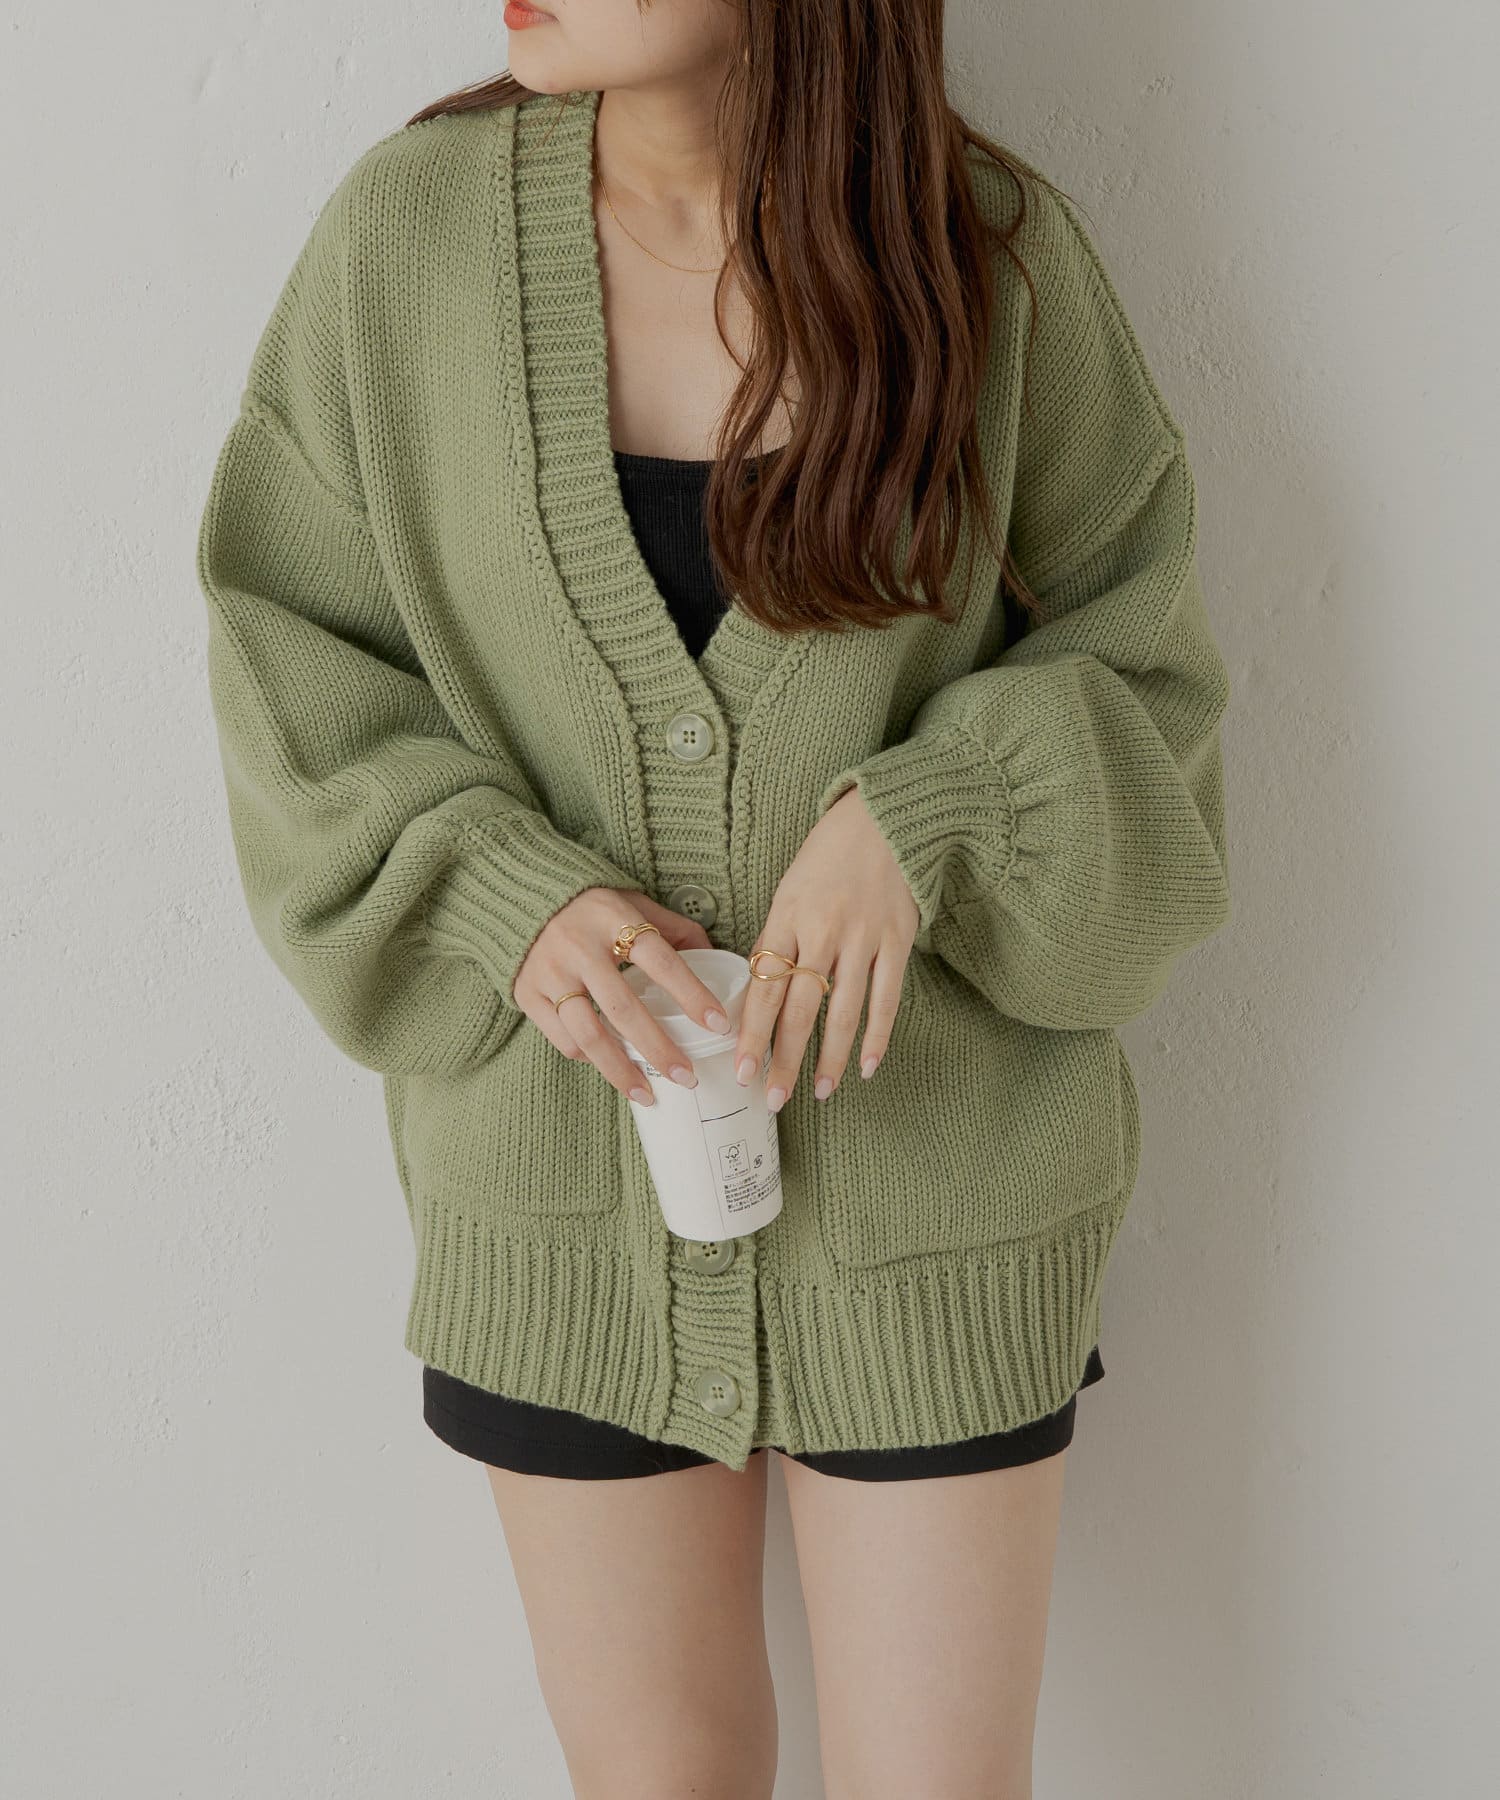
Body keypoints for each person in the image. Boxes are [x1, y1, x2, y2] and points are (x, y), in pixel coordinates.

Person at [195, 4, 1232, 1795]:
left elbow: (1154, 680)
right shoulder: (405, 249)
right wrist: (495, 891)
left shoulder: (985, 265)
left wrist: (935, 811)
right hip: (562, 1208)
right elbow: (290, 659)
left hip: (936, 1208)